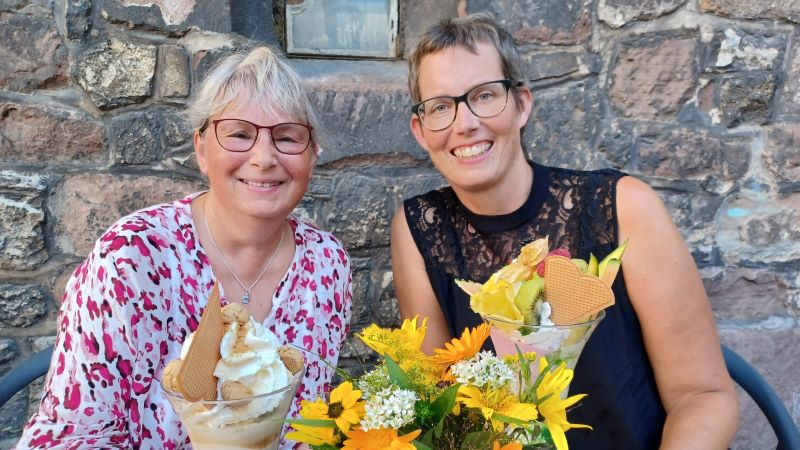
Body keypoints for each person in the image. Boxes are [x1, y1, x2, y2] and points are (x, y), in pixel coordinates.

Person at [391, 13, 738, 450]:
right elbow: (438, 412)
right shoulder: (419, 228)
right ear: (421, 131)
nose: (464, 123)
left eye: (484, 95)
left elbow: (704, 396)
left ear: (522, 104)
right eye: (440, 106)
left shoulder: (621, 205)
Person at [15, 47, 352, 449]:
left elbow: (309, 431)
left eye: (287, 137)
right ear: (201, 148)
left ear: (312, 156)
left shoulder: (326, 264)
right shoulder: (131, 257)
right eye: (240, 134)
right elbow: (74, 436)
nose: (264, 158)